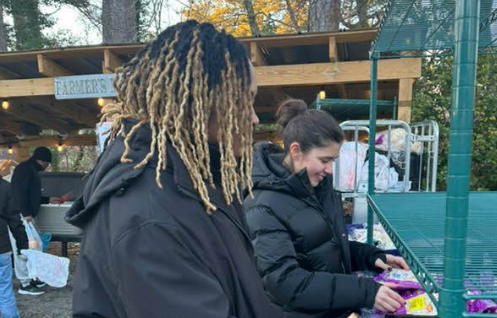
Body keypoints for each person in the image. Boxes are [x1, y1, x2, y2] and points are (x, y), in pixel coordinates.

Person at [65, 20, 284, 318]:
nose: (255, 118)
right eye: (246, 100)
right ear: (203, 102)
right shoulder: (149, 216)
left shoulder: (199, 181)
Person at [244, 99, 409, 318]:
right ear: (295, 151)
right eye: (325, 160)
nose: (330, 169)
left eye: (334, 160)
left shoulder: (318, 186)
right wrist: (362, 290)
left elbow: (324, 246)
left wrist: (369, 256)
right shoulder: (262, 205)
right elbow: (285, 283)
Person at [10, 147, 60, 295]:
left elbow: (32, 194)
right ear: (42, 160)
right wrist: (25, 213)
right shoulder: (25, 169)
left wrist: (47, 199)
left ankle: (32, 277)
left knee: (34, 247)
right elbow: (20, 193)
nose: (47, 167)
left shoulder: (30, 170)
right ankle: (25, 283)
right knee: (23, 249)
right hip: (21, 216)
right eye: (47, 163)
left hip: (27, 216)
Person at [0, 175, 28, 318]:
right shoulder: (5, 187)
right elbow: (15, 221)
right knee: (4, 290)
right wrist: (23, 246)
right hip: (1, 248)